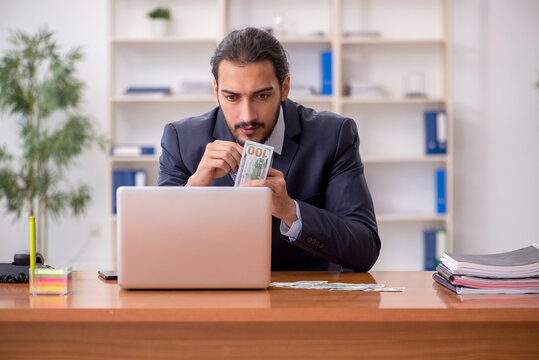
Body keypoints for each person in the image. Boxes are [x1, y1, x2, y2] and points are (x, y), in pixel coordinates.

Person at [157, 27, 380, 271]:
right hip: (211, 296)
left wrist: (290, 211)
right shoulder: (181, 139)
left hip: (303, 301)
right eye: (232, 97)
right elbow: (157, 248)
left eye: (261, 96)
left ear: (284, 88)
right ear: (216, 91)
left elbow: (364, 250)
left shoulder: (333, 136)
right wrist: (193, 190)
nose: (247, 116)